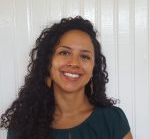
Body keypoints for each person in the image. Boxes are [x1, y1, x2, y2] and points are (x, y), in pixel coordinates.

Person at [0, 16, 132, 139]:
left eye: (84, 56)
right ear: (48, 62)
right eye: (64, 52)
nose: (74, 63)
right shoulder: (23, 124)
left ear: (93, 68)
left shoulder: (113, 119)